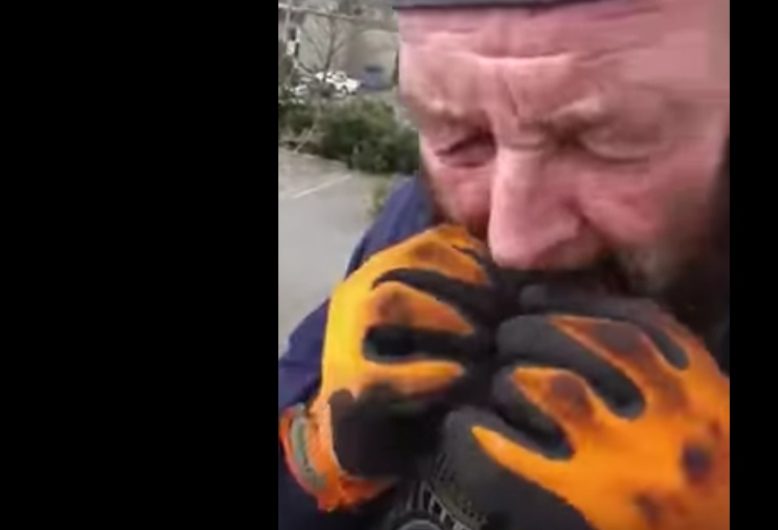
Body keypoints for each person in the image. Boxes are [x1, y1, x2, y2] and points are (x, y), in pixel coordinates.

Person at [278, 0, 730, 528]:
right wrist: (317, 457)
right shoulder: (416, 222)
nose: (512, 241)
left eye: (609, 144)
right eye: (458, 137)